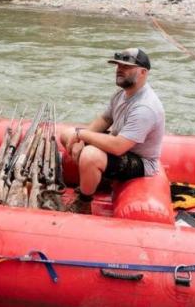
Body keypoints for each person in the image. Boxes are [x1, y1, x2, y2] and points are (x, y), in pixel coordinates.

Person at [60, 48, 165, 214]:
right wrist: (79, 139)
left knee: (90, 155)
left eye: (126, 66)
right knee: (66, 134)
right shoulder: (122, 94)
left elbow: (118, 147)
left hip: (140, 160)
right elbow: (105, 119)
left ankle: (84, 202)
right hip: (121, 146)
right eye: (118, 65)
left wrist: (82, 134)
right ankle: (98, 178)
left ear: (143, 72)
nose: (119, 69)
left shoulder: (146, 107)